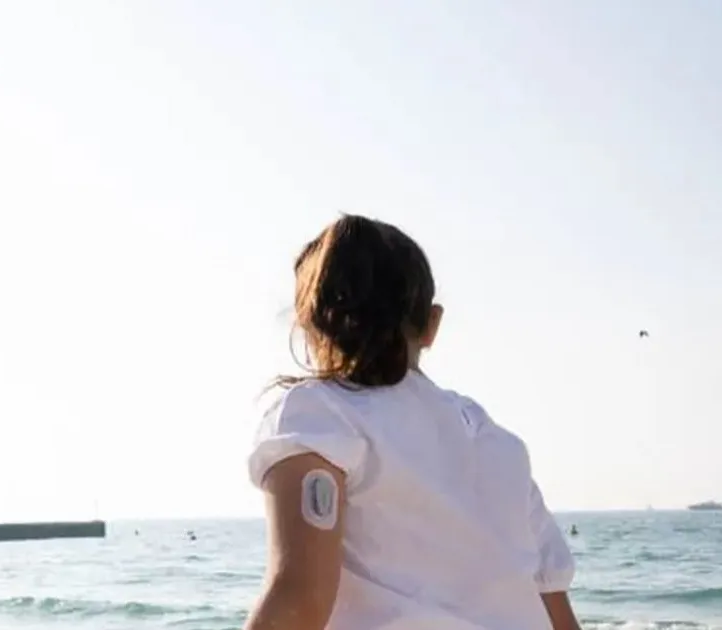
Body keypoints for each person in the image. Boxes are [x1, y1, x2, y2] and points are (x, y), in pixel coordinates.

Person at [244, 214, 581, 630]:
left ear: (308, 324)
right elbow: (559, 618)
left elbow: (299, 599)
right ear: (431, 325)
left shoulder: (319, 414)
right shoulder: (497, 446)